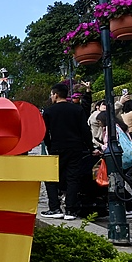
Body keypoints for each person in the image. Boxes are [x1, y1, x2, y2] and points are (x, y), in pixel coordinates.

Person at [40, 83, 93, 221]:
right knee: (72, 178)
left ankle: (55, 207)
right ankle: (70, 210)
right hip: (75, 147)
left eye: (51, 94)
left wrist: (49, 145)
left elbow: (45, 133)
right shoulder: (77, 109)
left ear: (56, 95)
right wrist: (91, 147)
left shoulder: (49, 111)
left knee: (50, 177)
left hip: (57, 146)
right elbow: (85, 130)